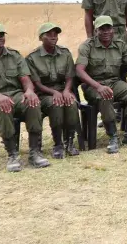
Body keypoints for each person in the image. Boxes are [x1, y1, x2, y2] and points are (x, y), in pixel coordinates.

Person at [0, 22, 49, 172]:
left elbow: (26, 80)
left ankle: (35, 152)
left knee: (33, 102)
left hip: (16, 96)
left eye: (1, 35)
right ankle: (12, 155)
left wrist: (29, 91)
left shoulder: (15, 56)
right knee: (3, 108)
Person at [75, 15, 127, 153]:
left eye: (108, 28)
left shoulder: (120, 45)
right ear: (96, 31)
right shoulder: (87, 46)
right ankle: (113, 136)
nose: (106, 32)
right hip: (93, 86)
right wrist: (98, 87)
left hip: (115, 82)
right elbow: (79, 70)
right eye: (102, 29)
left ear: (113, 30)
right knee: (105, 95)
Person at [25, 22, 81, 159]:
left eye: (55, 34)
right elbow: (36, 83)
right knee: (55, 103)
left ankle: (69, 142)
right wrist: (54, 93)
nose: (53, 36)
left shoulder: (65, 53)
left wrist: (67, 91)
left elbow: (69, 77)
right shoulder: (32, 58)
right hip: (43, 93)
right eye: (49, 34)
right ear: (41, 38)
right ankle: (58, 144)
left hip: (63, 90)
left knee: (71, 103)